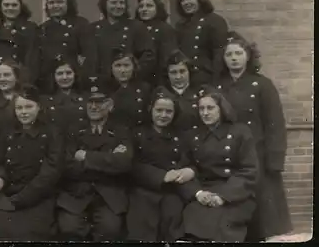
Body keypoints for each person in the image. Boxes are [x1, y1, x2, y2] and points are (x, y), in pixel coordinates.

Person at [218, 32, 293, 241]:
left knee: (263, 217)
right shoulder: (218, 87)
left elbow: (275, 124)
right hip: (229, 155)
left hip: (258, 155)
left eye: (239, 53)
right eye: (229, 54)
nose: (234, 58)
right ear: (223, 59)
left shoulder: (262, 85)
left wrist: (274, 160)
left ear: (248, 56)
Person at [179, 85, 259, 242]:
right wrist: (198, 193)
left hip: (235, 194)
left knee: (223, 223)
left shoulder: (240, 132)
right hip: (205, 192)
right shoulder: (193, 136)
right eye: (201, 108)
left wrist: (223, 196)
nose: (205, 113)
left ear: (221, 109)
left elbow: (249, 170)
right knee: (191, 217)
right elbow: (186, 169)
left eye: (210, 108)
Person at [57, 76, 133, 241]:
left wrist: (86, 156)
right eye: (90, 102)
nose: (93, 106)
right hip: (76, 193)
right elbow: (66, 165)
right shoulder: (73, 130)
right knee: (69, 229)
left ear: (110, 105)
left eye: (99, 102)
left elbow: (125, 163)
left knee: (110, 230)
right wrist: (109, 160)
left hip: (109, 195)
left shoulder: (121, 131)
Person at [0, 84, 64, 241]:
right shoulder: (7, 132)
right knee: (1, 234)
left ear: (38, 107)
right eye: (19, 108)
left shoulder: (52, 133)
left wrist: (19, 200)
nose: (23, 112)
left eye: (29, 107)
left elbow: (50, 173)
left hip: (38, 197)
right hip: (8, 194)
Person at [127, 86, 193, 242]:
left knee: (173, 223)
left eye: (169, 111)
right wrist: (161, 176)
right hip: (143, 191)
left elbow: (188, 161)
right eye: (159, 110)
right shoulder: (137, 134)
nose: (163, 115)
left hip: (173, 191)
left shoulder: (180, 136)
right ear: (151, 110)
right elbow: (131, 164)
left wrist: (189, 170)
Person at [89, 0, 155, 85]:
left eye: (122, 3)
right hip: (102, 85)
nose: (118, 6)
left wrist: (132, 75)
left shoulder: (136, 27)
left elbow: (148, 56)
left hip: (130, 84)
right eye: (113, 3)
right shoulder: (93, 29)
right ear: (105, 4)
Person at [36, 0, 96, 93]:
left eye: (60, 2)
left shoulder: (81, 24)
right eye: (51, 3)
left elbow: (89, 57)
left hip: (76, 84)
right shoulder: (42, 29)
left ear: (68, 4)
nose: (55, 6)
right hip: (50, 86)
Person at [175, 0, 230, 87]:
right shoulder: (180, 25)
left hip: (207, 78)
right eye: (182, 0)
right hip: (186, 80)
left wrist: (215, 83)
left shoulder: (215, 21)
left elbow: (219, 55)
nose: (186, 3)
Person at [0, 0, 39, 82]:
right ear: (0, 7)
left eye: (14, 5)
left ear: (20, 7)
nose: (10, 8)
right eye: (6, 5)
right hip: (1, 81)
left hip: (22, 81)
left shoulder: (30, 29)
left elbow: (32, 60)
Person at [135, 0, 178, 87]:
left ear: (157, 8)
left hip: (159, 81)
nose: (144, 9)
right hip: (137, 80)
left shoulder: (165, 29)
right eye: (141, 6)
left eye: (149, 6)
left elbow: (167, 59)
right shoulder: (134, 29)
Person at [41, 53, 88, 134]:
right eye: (60, 74)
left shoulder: (87, 98)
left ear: (75, 75)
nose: (65, 77)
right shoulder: (44, 101)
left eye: (69, 73)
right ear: (53, 76)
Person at [108, 46, 151, 129]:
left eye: (126, 65)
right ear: (111, 68)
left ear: (133, 67)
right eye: (118, 65)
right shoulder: (105, 89)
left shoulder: (145, 89)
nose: (122, 70)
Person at [163, 50, 202, 132]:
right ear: (167, 74)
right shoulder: (163, 94)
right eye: (173, 72)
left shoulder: (200, 93)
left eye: (182, 71)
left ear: (189, 72)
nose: (178, 77)